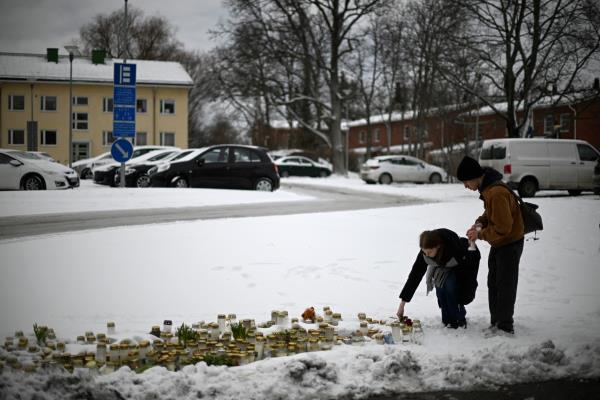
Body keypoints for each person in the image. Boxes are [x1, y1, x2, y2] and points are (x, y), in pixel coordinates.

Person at [456, 156, 524, 335]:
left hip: (509, 244)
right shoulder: (489, 189)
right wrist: (479, 223)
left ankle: (504, 326)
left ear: (473, 177)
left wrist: (480, 234)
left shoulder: (496, 193)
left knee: (505, 285)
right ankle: (497, 323)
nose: (465, 186)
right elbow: (490, 214)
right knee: (494, 283)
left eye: (465, 182)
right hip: (501, 243)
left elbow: (503, 228)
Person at [397, 229, 480, 329]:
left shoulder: (456, 249)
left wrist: (463, 299)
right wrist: (402, 304)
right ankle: (447, 321)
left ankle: (458, 320)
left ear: (438, 246)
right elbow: (415, 275)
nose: (426, 255)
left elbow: (468, 277)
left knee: (450, 285)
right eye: (424, 252)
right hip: (443, 268)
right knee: (440, 285)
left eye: (429, 252)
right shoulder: (426, 251)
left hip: (464, 264)